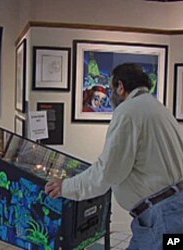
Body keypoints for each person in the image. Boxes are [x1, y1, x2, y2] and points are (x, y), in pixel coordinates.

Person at [45, 63, 183, 250]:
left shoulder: (128, 112)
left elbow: (107, 172)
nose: (111, 96)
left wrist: (66, 187)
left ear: (120, 86)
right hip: (173, 211)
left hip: (161, 218)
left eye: (112, 90)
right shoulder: (158, 108)